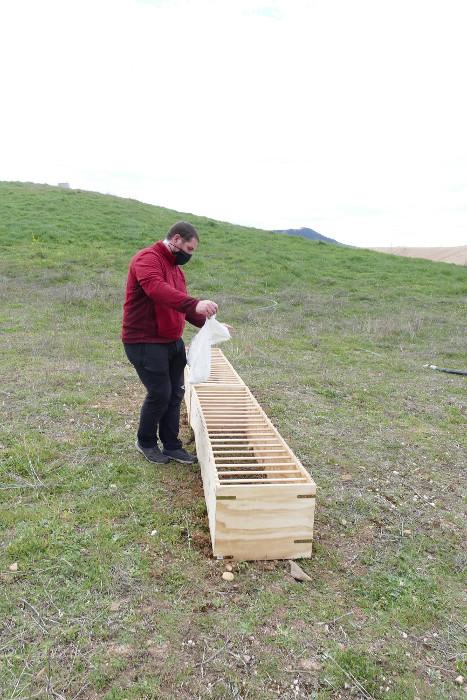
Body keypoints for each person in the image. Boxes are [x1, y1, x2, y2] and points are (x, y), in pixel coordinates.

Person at [122, 221, 218, 464]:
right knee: (160, 392)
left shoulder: (177, 270)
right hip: (144, 340)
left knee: (176, 392)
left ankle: (172, 445)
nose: (190, 254)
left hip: (172, 340)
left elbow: (180, 306)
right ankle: (145, 442)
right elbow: (157, 289)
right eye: (189, 248)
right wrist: (195, 303)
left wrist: (211, 325)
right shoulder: (147, 259)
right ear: (176, 239)